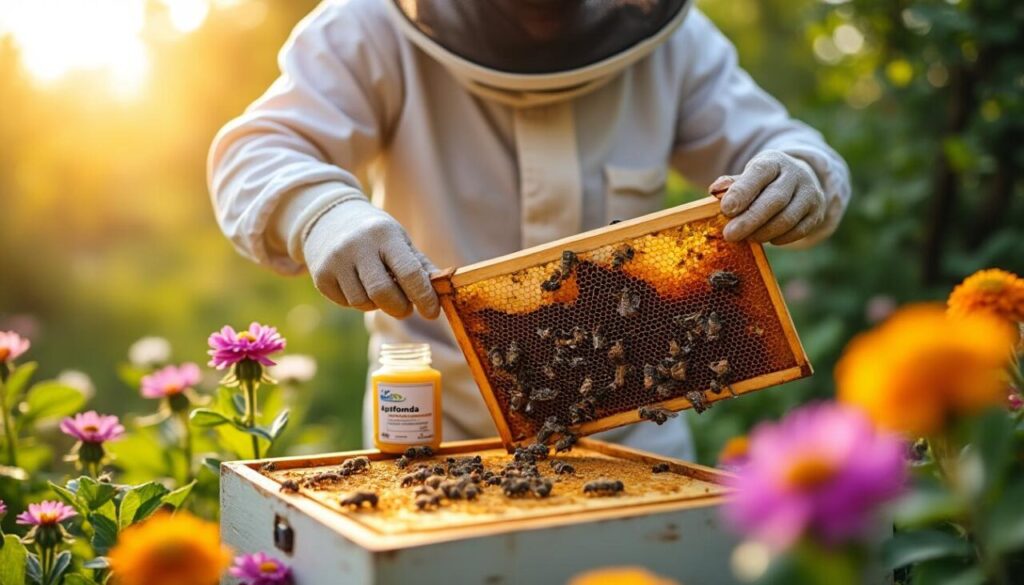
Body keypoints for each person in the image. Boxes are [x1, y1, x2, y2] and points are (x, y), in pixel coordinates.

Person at [208, 0, 850, 460]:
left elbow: (780, 142)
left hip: (636, 437)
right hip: (435, 433)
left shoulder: (678, 42)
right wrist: (320, 210)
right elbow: (259, 147)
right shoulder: (367, 25)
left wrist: (801, 174)